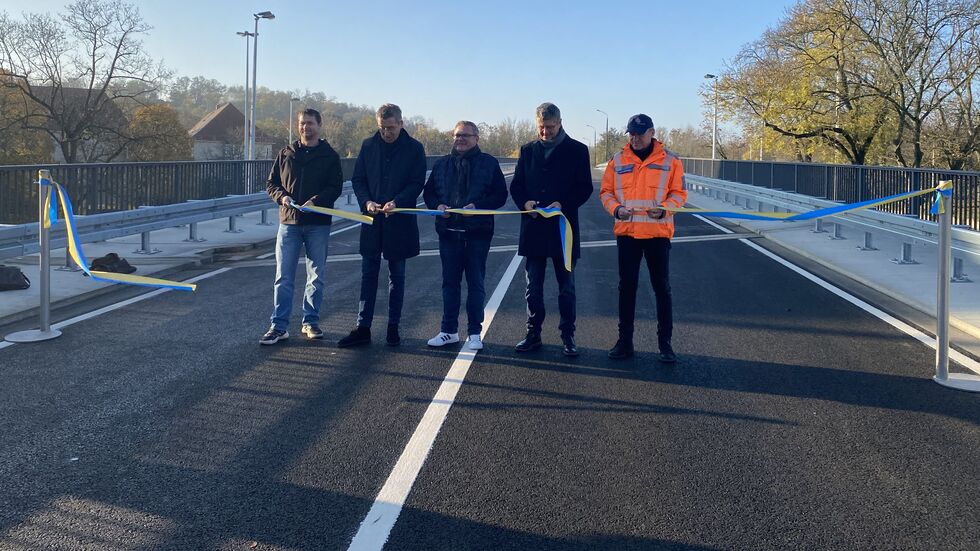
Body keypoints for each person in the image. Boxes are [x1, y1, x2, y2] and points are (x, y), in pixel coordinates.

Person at [599, 114, 688, 362]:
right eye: (631, 134)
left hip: (657, 234)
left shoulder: (670, 161)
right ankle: (625, 342)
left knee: (662, 288)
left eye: (639, 133)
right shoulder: (617, 160)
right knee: (626, 288)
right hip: (627, 233)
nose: (635, 138)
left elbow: (680, 193)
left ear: (652, 133)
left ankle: (665, 344)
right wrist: (616, 209)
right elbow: (606, 192)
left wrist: (665, 208)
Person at [338, 103, 426, 347]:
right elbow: (358, 179)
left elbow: (417, 182)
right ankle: (363, 327)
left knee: (397, 276)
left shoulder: (414, 148)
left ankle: (393, 327)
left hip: (399, 222)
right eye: (382, 128)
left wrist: (398, 202)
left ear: (401, 123)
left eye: (390, 128)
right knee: (368, 275)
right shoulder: (368, 146)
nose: (386, 132)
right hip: (372, 222)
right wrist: (366, 201)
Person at [509, 102, 593, 356]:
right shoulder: (527, 150)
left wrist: (562, 204)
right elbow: (517, 185)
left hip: (563, 229)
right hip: (533, 228)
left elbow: (584, 187)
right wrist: (525, 203)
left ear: (560, 123)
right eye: (541, 127)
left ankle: (568, 336)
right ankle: (533, 334)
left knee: (566, 288)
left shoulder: (577, 150)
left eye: (550, 127)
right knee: (532, 288)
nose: (545, 132)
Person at [260, 108, 344, 345]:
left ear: (319, 125)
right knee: (283, 277)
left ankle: (311, 322)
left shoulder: (330, 156)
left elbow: (335, 187)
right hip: (289, 223)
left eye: (310, 123)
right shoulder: (286, 153)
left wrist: (315, 202)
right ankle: (279, 326)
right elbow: (271, 184)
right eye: (302, 123)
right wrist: (282, 197)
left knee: (316, 277)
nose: (305, 127)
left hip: (318, 223)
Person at [422, 121, 508, 350]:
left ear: (476, 138)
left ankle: (474, 333)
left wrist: (477, 207)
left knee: (476, 284)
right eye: (457, 135)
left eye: (465, 136)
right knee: (449, 284)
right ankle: (448, 331)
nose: (460, 139)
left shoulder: (489, 163)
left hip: (477, 234)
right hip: (448, 233)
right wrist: (437, 205)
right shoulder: (442, 164)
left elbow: (500, 195)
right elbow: (429, 193)